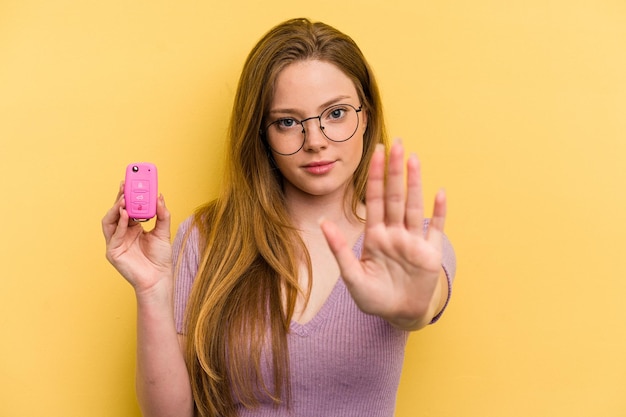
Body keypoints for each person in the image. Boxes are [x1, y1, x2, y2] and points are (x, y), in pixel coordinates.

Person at [102, 17, 456, 417]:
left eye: (336, 114)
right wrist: (151, 291)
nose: (316, 141)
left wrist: (409, 308)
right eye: (288, 122)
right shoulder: (206, 236)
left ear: (366, 116)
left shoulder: (414, 243)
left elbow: (423, 303)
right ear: (263, 135)